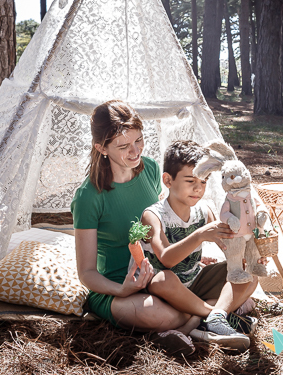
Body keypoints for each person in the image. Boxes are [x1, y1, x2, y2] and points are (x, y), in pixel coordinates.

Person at [72, 100, 204, 357]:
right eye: (123, 146)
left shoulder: (151, 169)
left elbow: (160, 224)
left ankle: (190, 321)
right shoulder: (88, 197)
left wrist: (188, 252)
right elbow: (87, 273)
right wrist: (122, 289)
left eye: (139, 140)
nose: (135, 151)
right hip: (115, 287)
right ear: (101, 148)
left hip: (160, 276)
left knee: (227, 280)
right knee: (154, 313)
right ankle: (202, 316)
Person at [138, 140, 259, 352]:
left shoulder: (204, 210)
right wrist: (199, 236)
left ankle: (208, 319)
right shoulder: (153, 215)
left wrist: (249, 251)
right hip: (164, 291)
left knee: (248, 271)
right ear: (168, 180)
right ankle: (214, 316)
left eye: (203, 181)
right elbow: (166, 258)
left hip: (195, 282)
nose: (198, 188)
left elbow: (229, 246)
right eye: (190, 181)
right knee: (162, 279)